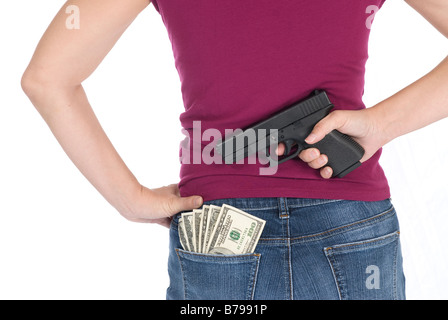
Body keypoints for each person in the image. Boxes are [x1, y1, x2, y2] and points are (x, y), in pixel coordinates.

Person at [21, 0, 448, 300]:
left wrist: (130, 200)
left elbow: (47, 79)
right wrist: (380, 125)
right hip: (348, 221)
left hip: (217, 224)